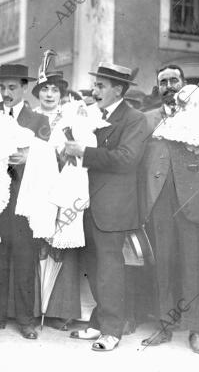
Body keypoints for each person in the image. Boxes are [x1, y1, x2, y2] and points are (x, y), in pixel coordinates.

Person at [66, 62, 147, 351]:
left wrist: (83, 152)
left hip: (113, 207)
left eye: (101, 86)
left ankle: (112, 330)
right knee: (93, 265)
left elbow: (127, 159)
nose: (94, 90)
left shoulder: (134, 118)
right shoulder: (93, 115)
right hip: (87, 204)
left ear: (118, 90)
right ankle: (99, 323)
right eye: (95, 84)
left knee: (110, 269)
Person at [139, 66, 199, 355]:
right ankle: (164, 325)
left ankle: (196, 330)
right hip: (159, 199)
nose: (169, 85)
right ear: (157, 87)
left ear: (184, 84)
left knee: (196, 265)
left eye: (174, 80)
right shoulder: (148, 120)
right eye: (163, 82)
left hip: (194, 198)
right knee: (164, 263)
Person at [0, 63, 46, 340]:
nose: (6, 93)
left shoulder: (38, 120)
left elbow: (51, 155)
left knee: (23, 258)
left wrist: (31, 156)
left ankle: (25, 319)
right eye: (2, 88)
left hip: (24, 200)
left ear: (24, 88)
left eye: (12, 88)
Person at [30, 69, 81, 331]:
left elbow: (77, 154)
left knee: (61, 246)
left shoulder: (70, 120)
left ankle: (59, 310)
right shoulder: (29, 118)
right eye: (45, 89)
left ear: (61, 95)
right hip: (34, 187)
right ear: (38, 93)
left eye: (55, 90)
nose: (49, 94)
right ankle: (32, 306)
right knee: (35, 244)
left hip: (63, 186)